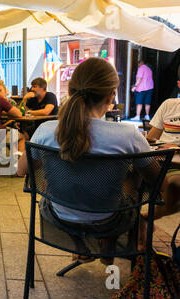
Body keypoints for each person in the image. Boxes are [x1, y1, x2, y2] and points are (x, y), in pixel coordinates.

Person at [17, 58, 161, 263]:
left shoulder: (46, 130)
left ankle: (81, 246)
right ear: (111, 95)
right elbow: (157, 181)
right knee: (132, 182)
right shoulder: (128, 136)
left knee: (54, 182)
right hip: (110, 219)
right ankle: (108, 247)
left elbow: (22, 171)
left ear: (71, 92)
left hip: (58, 216)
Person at [146, 65, 180, 219]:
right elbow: (151, 140)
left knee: (174, 186)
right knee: (125, 171)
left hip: (175, 169)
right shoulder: (169, 105)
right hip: (161, 161)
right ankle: (128, 220)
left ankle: (144, 219)